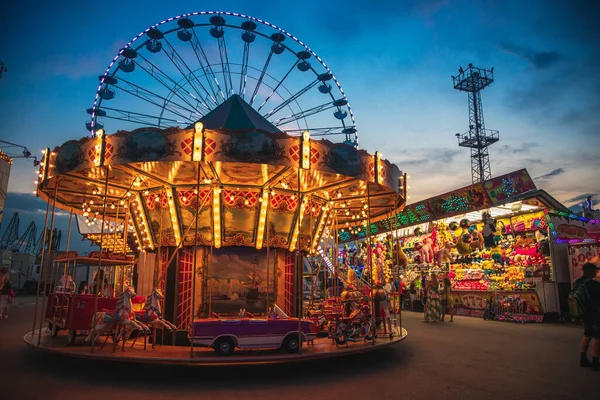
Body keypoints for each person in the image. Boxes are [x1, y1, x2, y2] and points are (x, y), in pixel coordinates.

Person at [576, 262, 600, 370]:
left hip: (583, 313)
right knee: (597, 338)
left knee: (587, 335)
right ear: (590, 272)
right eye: (595, 270)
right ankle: (595, 362)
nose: (597, 272)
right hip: (594, 314)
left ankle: (583, 359)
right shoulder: (594, 284)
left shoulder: (577, 283)